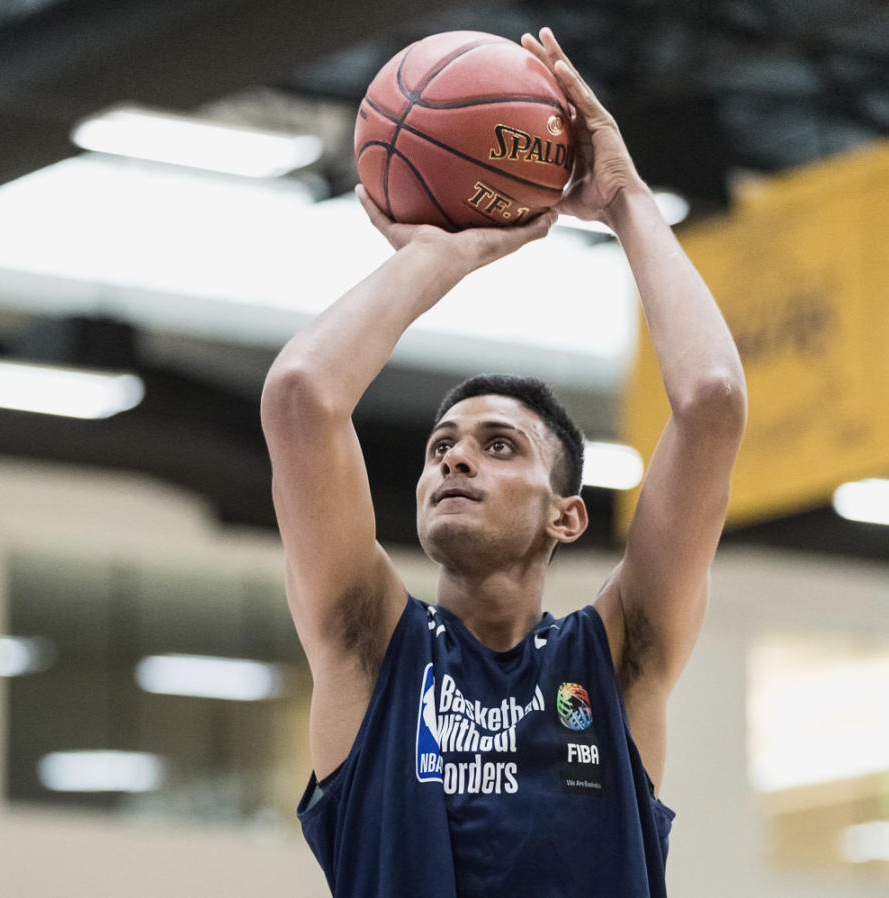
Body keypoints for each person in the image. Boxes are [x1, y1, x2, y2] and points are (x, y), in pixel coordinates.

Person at [260, 26, 746, 898]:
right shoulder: (369, 647)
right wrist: (442, 256)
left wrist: (628, 198)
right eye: (442, 445)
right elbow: (302, 394)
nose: (454, 460)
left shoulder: (616, 660)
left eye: (498, 445)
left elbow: (711, 399)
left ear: (568, 513)